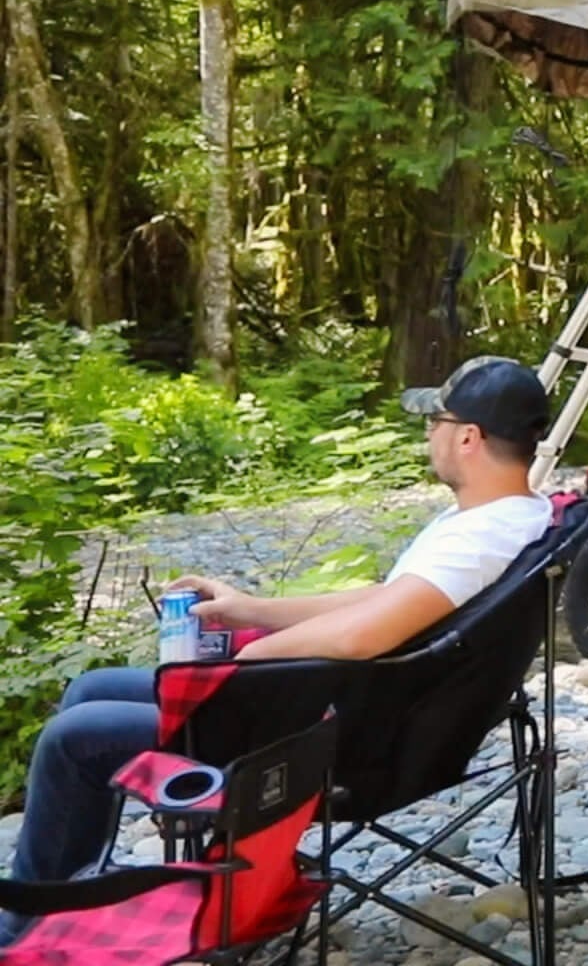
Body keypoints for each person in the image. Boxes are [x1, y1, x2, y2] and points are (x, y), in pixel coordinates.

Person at [0, 356, 556, 946]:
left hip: (340, 746)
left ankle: (20, 928)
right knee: (93, 688)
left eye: (434, 421)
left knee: (76, 736)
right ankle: (69, 887)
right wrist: (252, 609)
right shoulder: (503, 519)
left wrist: (240, 666)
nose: (426, 433)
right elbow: (390, 599)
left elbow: (360, 636)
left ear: (468, 436)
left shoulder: (482, 538)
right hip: (364, 709)